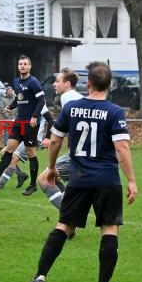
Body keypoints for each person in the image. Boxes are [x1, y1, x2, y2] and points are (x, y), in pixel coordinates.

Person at [21, 61, 137, 282]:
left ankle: (39, 277)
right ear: (110, 84)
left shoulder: (72, 108)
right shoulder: (115, 112)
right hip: (106, 180)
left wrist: (51, 167)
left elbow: (54, 140)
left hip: (79, 178)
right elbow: (122, 148)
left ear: (88, 83)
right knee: (109, 228)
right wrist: (132, 180)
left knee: (64, 225)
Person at [0, 55, 45, 196]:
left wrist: (34, 116)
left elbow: (41, 101)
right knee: (9, 148)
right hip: (19, 121)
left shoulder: (34, 82)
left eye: (25, 64)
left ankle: (33, 185)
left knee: (31, 153)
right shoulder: (16, 82)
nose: (22, 66)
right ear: (18, 66)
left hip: (30, 123)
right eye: (20, 64)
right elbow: (19, 98)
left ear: (30, 66)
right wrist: (11, 106)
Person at [37, 68, 84, 211]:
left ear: (67, 84)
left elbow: (62, 129)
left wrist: (51, 138)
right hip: (86, 151)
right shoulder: (76, 96)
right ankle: (71, 212)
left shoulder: (67, 96)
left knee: (44, 179)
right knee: (54, 178)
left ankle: (69, 216)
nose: (54, 84)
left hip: (80, 152)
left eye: (57, 81)